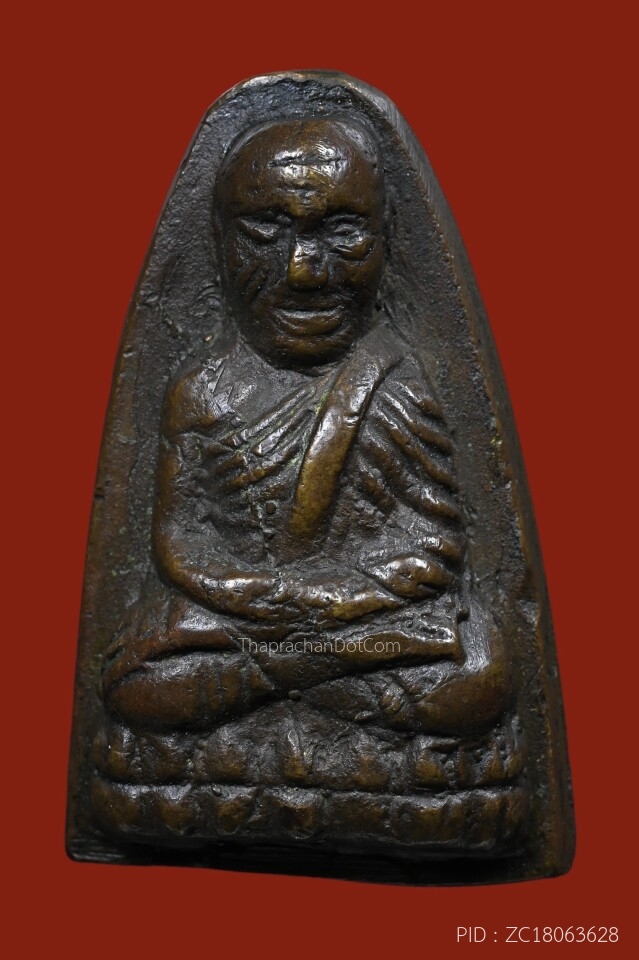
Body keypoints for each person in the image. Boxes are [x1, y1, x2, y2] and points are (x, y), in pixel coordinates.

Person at [99, 117, 515, 784]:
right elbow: (177, 541)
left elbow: (436, 547)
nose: (303, 271)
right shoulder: (201, 392)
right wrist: (256, 593)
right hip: (245, 622)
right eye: (265, 232)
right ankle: (307, 683)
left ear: (385, 242)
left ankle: (273, 682)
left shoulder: (395, 384)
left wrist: (339, 597)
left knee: (481, 670)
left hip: (360, 626)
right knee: (135, 675)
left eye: (342, 232)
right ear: (220, 245)